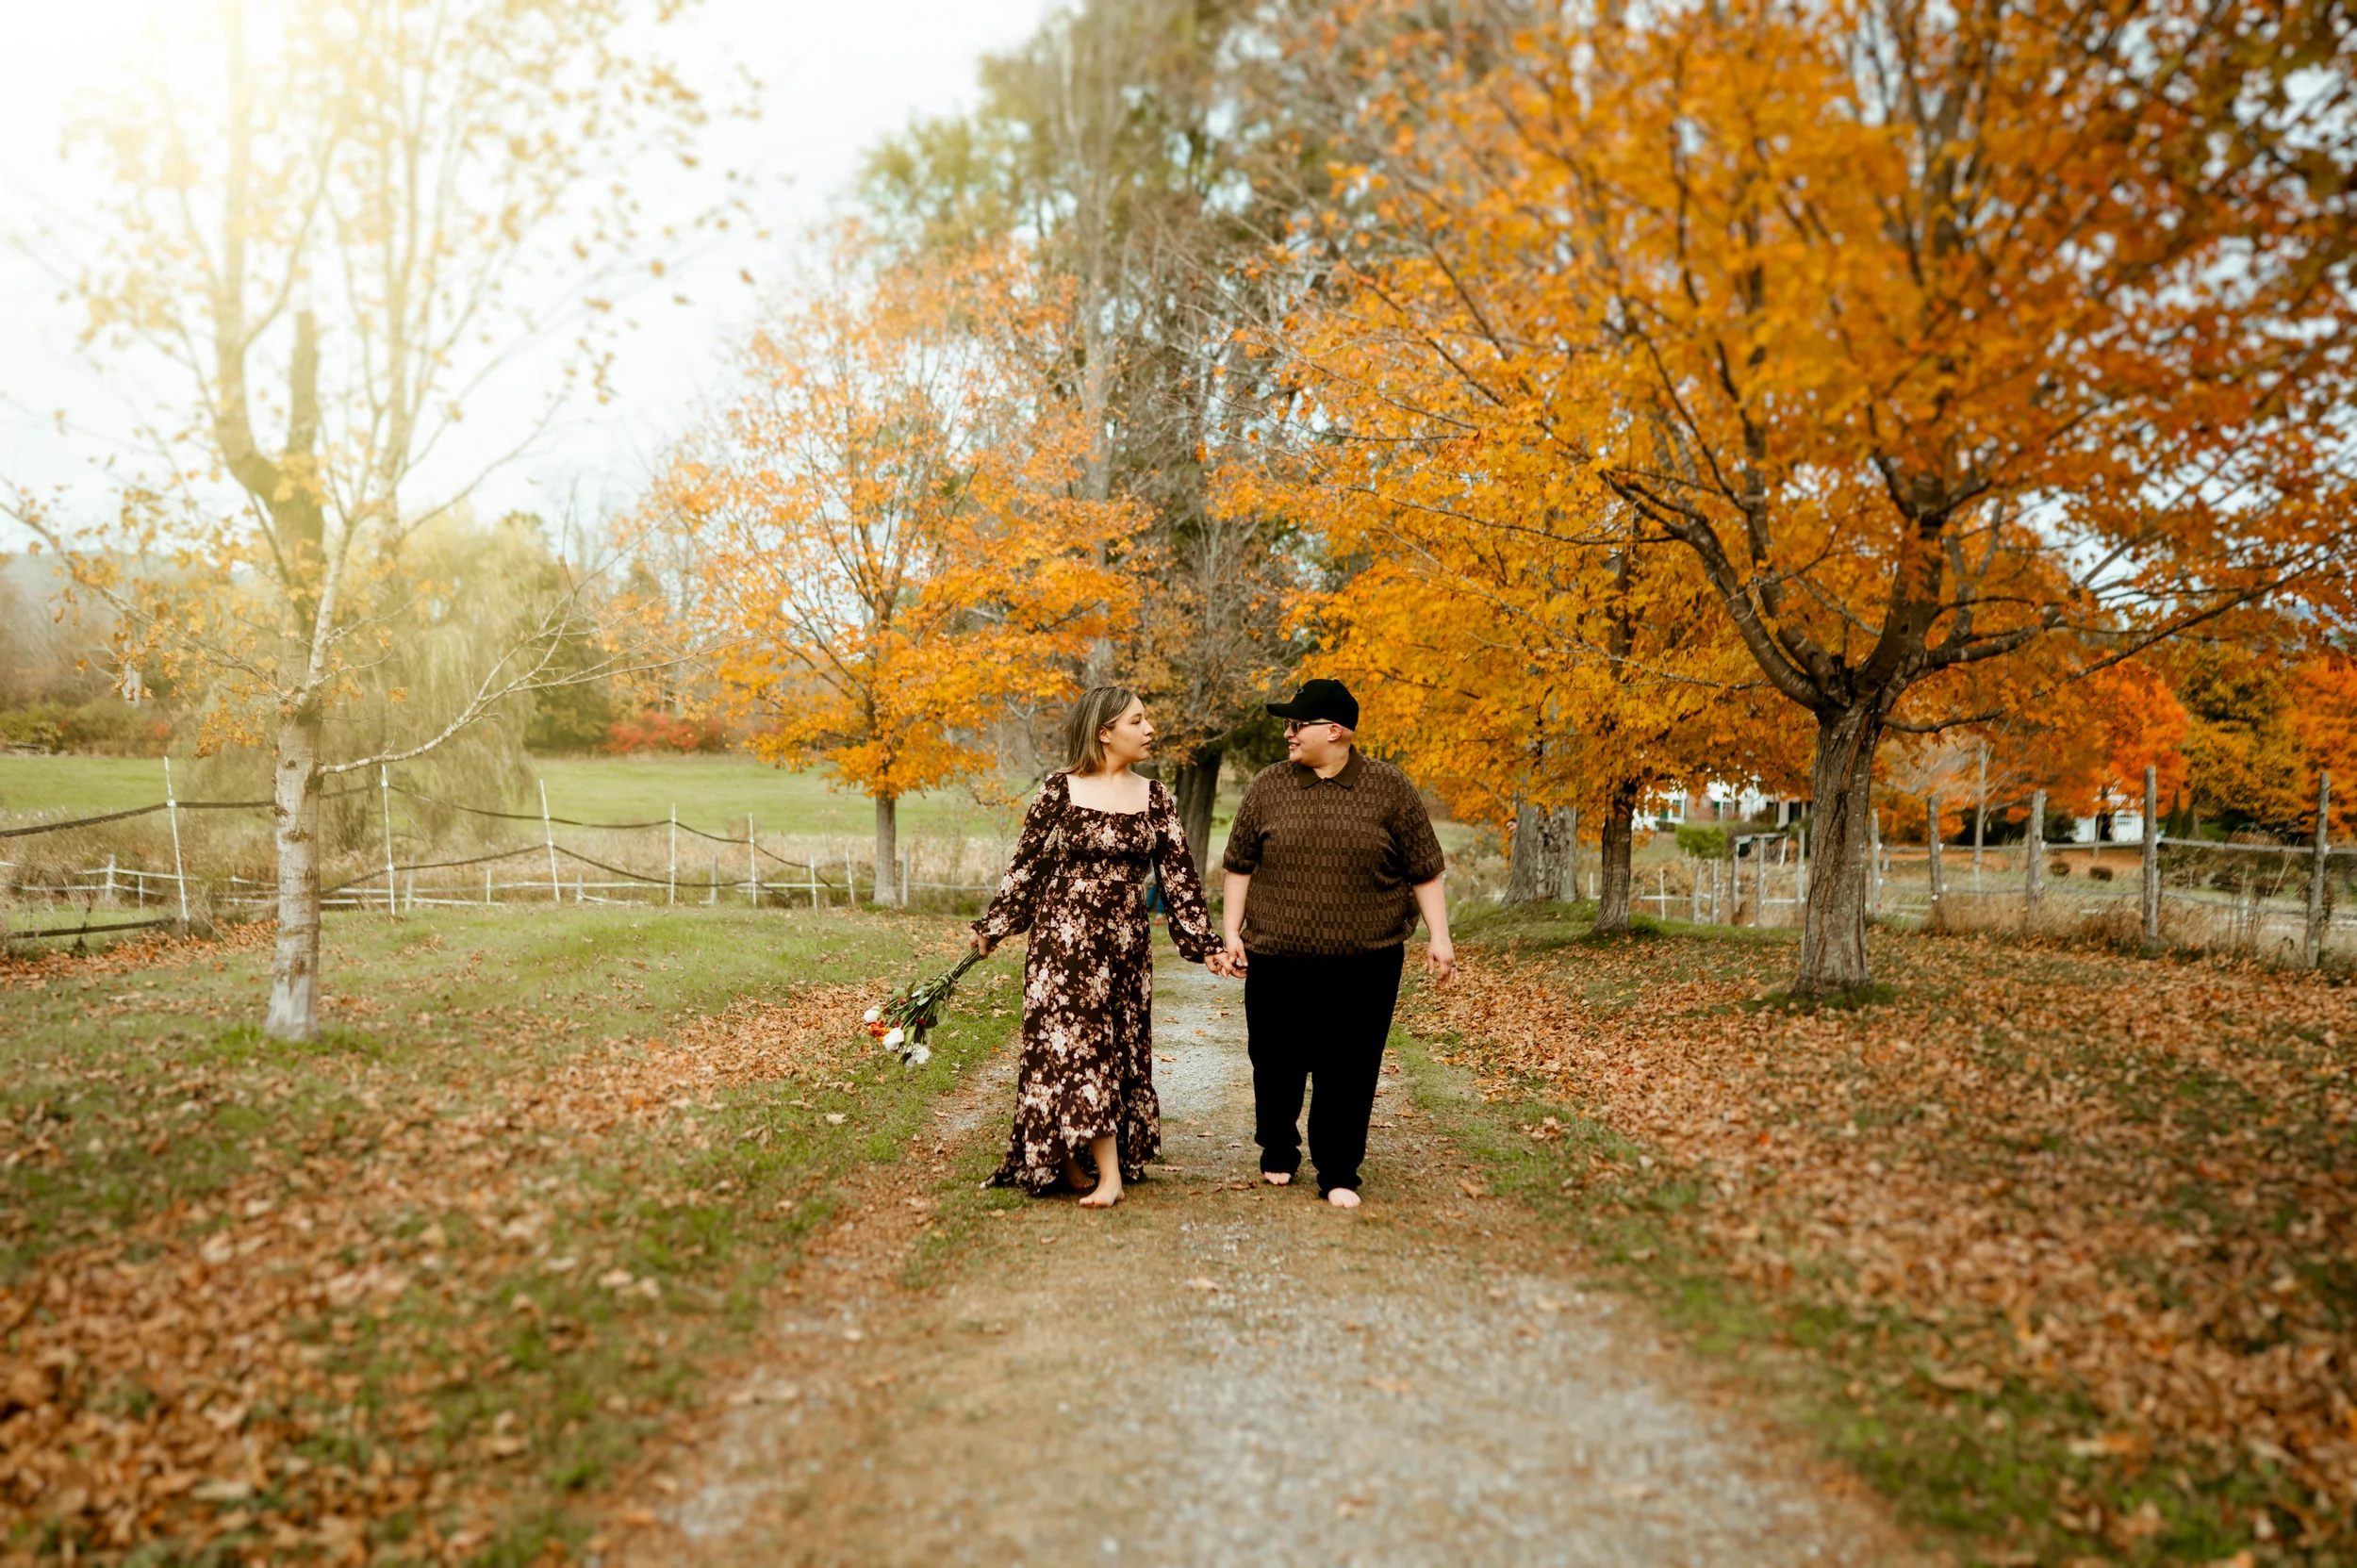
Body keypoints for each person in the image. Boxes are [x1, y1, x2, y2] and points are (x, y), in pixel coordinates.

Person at [971, 685, 1220, 1207]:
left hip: (1126, 946)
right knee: (1078, 1046)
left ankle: (1070, 1158)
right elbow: (1027, 866)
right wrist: (996, 925)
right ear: (1104, 733)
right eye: (1137, 721)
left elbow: (1179, 878)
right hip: (1063, 945)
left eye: (1146, 720)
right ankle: (1108, 1176)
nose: (1149, 729)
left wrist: (1206, 944)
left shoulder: (1155, 797)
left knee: (1116, 1047)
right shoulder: (1058, 790)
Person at [1216, 678, 1454, 1209]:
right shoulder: (1268, 786)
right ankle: (1278, 1146)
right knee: (1274, 1059)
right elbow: (1239, 865)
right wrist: (1232, 932)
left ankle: (1339, 1168)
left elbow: (1425, 869)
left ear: (1335, 731)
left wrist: (1440, 936)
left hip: (1366, 960)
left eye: (1296, 725)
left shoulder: (1390, 788)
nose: (1288, 735)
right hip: (1277, 955)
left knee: (1348, 1065)